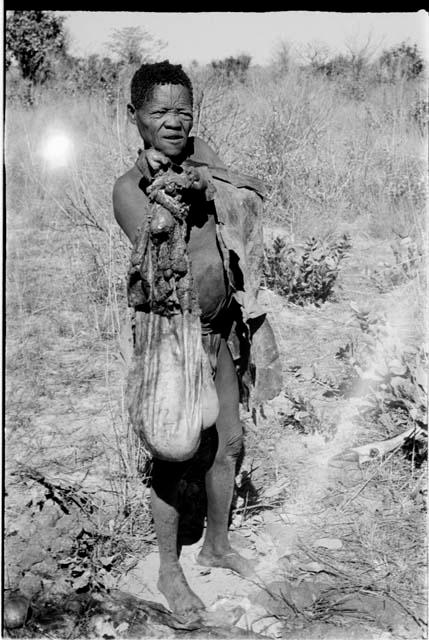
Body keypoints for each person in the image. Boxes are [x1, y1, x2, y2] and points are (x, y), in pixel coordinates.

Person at [113, 60, 282, 619]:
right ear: (134, 117)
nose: (173, 121)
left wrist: (203, 177)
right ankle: (168, 570)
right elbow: (160, 253)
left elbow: (245, 195)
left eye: (183, 110)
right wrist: (176, 189)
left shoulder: (203, 158)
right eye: (158, 111)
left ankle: (216, 543)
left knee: (229, 444)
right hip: (174, 336)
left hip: (221, 330)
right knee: (174, 452)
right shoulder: (128, 188)